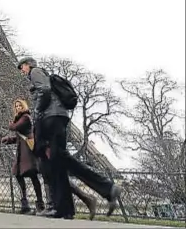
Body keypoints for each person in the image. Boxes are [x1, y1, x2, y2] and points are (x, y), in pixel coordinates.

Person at [17, 57, 121, 219]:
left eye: (22, 67)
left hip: (51, 118)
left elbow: (44, 90)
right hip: (57, 116)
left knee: (60, 159)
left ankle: (107, 188)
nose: (21, 70)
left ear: (28, 65)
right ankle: (64, 209)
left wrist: (37, 113)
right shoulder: (41, 75)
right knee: (58, 162)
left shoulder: (35, 72)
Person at [1, 99, 44, 215]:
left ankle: (39, 204)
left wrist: (10, 124)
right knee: (19, 175)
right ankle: (26, 204)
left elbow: (14, 127)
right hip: (22, 153)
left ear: (24, 106)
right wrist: (8, 140)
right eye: (16, 106)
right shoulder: (20, 120)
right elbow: (19, 137)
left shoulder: (25, 118)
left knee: (33, 176)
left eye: (20, 105)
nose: (18, 107)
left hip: (28, 154)